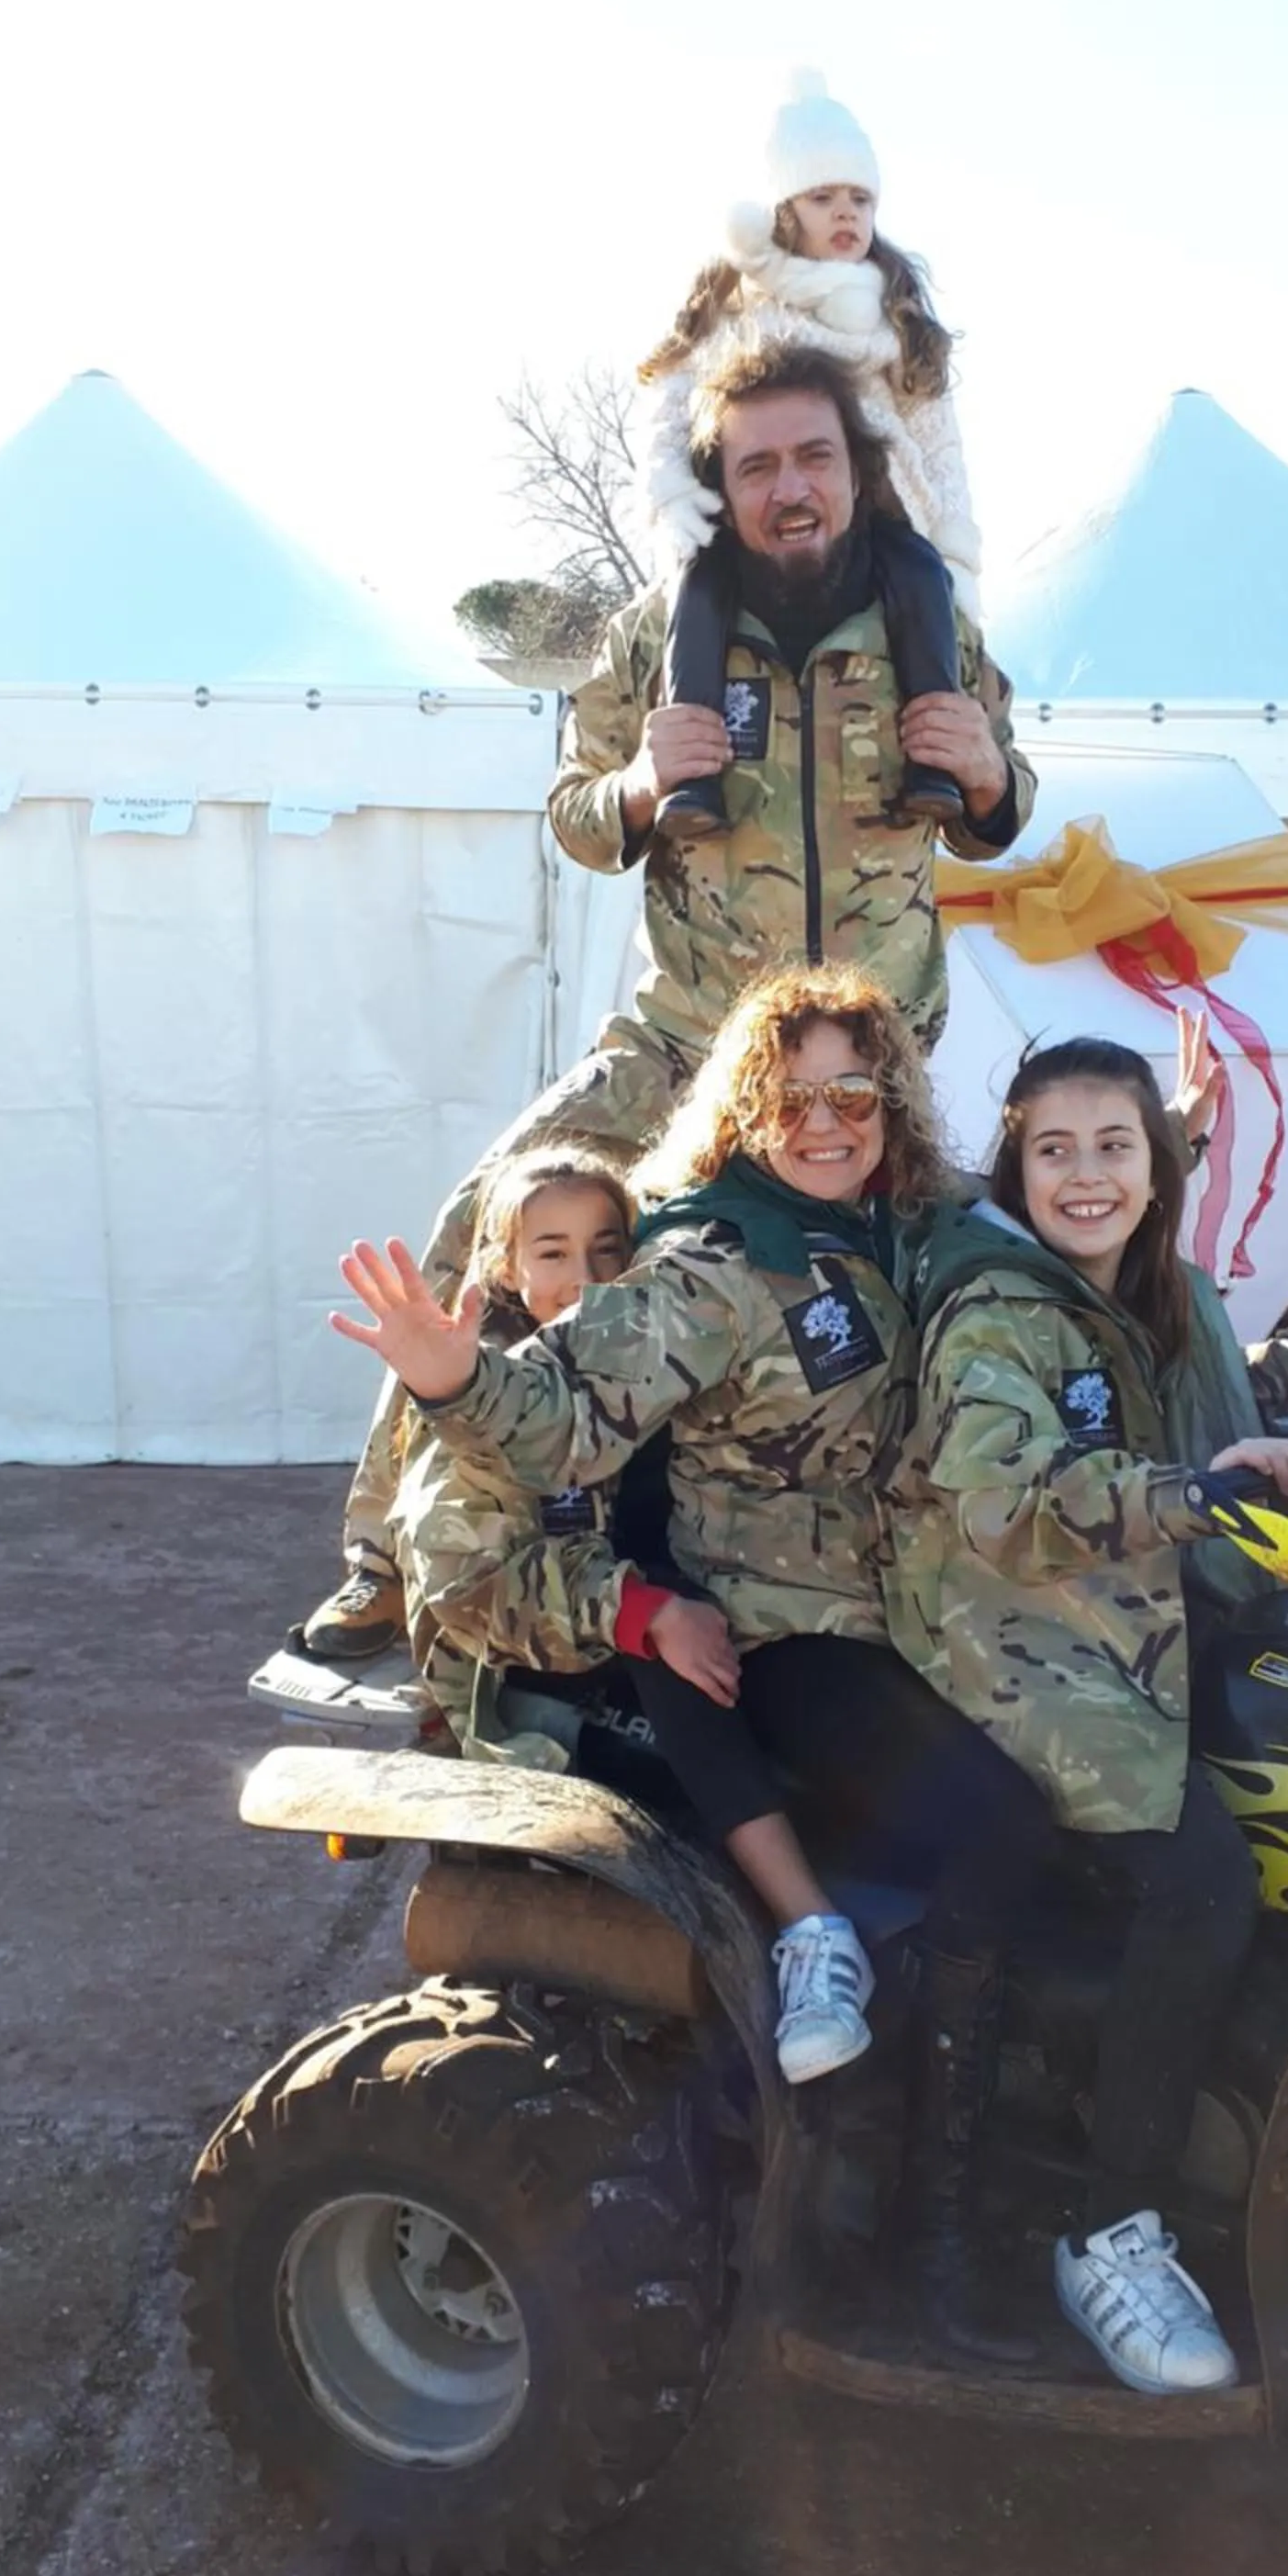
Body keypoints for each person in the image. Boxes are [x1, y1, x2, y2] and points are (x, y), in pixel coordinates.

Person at [330, 963, 1057, 2363]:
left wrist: (1161, 1148)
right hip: (771, 1634)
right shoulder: (721, 1261)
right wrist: (451, 1381)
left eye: (854, 1092)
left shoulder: (894, 1231)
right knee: (994, 1839)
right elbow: (551, 1418)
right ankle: (917, 2216)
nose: (827, 1120)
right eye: (794, 1099)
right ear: (748, 1107)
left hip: (894, 1616)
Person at [301, 336, 1035, 1663]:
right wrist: (638, 788)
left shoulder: (933, 633)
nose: (788, 486)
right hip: (691, 1038)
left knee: (972, 1283)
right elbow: (576, 817)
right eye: (755, 465)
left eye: (813, 455)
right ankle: (388, 1558)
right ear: (721, 486)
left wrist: (988, 773)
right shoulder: (658, 636)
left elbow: (999, 813)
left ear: (856, 472)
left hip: (868, 1070)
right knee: (493, 1213)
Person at [888, 1038, 1288, 2397]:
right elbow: (996, 1493)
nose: (1087, 1174)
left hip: (1131, 1607)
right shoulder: (997, 1312)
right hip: (1016, 1638)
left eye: (1117, 1146)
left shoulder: (1135, 1289)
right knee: (1206, 1878)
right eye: (1055, 1150)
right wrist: (1187, 1493)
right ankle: (1107, 2228)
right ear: (1014, 1167)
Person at [636, 68, 979, 838]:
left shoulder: (898, 318)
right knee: (701, 593)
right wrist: (667, 485)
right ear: (783, 209)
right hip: (748, 518)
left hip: (873, 512)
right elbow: (671, 392)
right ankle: (690, 776)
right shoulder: (738, 304)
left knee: (920, 578)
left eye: (860, 199)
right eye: (825, 198)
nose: (846, 214)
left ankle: (934, 761)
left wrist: (954, 542)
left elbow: (938, 441)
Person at [386, 1146, 734, 1753]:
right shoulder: (480, 1392)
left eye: (608, 1249)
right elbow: (466, 1584)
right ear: (506, 1268)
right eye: (552, 1253)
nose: (588, 1279)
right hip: (534, 1673)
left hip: (666, 1635)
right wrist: (641, 1610)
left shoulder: (659, 1363)